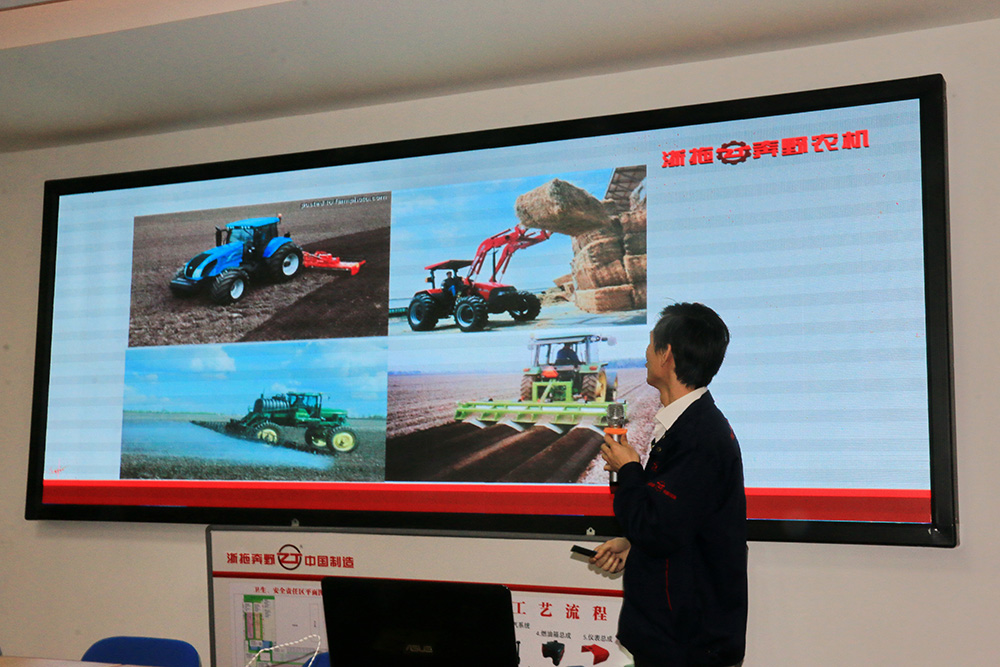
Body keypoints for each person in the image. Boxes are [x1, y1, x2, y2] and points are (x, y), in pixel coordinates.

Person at [594, 302, 747, 667]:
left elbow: (658, 527)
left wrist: (629, 470)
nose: (645, 354)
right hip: (675, 637)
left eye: (651, 344)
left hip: (686, 645)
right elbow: (678, 520)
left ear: (667, 355)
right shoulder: (690, 426)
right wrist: (634, 543)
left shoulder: (698, 437)